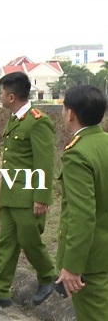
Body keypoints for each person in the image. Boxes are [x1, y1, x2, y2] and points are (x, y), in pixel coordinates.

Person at [0, 71, 57, 313]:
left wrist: (41, 197)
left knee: (29, 241)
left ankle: (48, 275)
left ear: (11, 96)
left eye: (1, 92)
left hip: (28, 196)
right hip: (10, 195)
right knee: (5, 245)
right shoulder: (14, 119)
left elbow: (44, 163)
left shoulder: (37, 121)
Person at [56, 85, 108, 321]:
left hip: (92, 262)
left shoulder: (78, 153)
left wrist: (72, 266)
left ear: (70, 114)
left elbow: (82, 215)